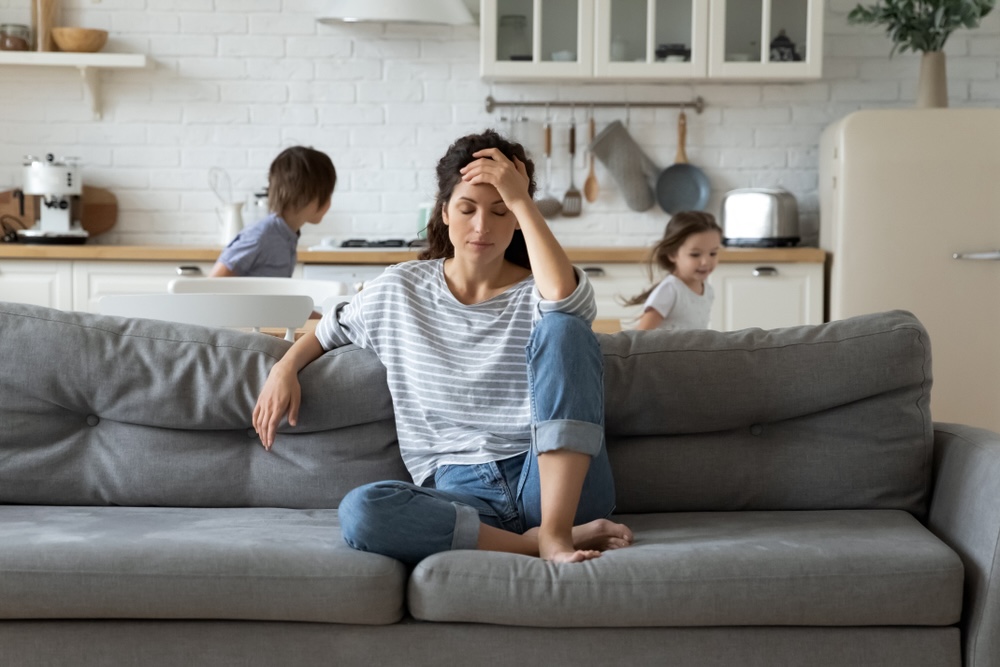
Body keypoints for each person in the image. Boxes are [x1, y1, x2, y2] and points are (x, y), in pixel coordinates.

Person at [252, 130, 632, 565]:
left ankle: (557, 530)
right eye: (467, 209)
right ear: (445, 212)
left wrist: (522, 197)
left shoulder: (541, 290)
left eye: (501, 210)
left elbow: (565, 300)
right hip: (461, 492)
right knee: (362, 511)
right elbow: (326, 332)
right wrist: (283, 369)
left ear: (518, 218)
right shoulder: (400, 290)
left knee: (565, 328)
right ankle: (539, 542)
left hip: (553, 477)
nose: (482, 227)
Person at [209, 146, 336, 277]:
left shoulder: (288, 235)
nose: (329, 202)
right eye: (327, 194)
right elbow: (213, 283)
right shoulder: (260, 235)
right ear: (305, 195)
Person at [624, 211, 723, 331]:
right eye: (695, 254)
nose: (706, 261)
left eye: (713, 253)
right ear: (672, 254)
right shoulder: (670, 290)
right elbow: (640, 335)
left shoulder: (708, 290)